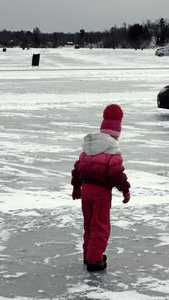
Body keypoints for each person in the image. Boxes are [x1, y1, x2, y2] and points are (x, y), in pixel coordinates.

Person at [71, 104, 130, 272]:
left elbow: (77, 169)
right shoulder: (112, 151)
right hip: (101, 193)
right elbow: (116, 174)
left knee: (89, 224)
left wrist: (76, 188)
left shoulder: (88, 149)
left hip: (86, 190)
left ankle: (88, 255)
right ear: (117, 134)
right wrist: (125, 190)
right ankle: (95, 260)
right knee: (100, 226)